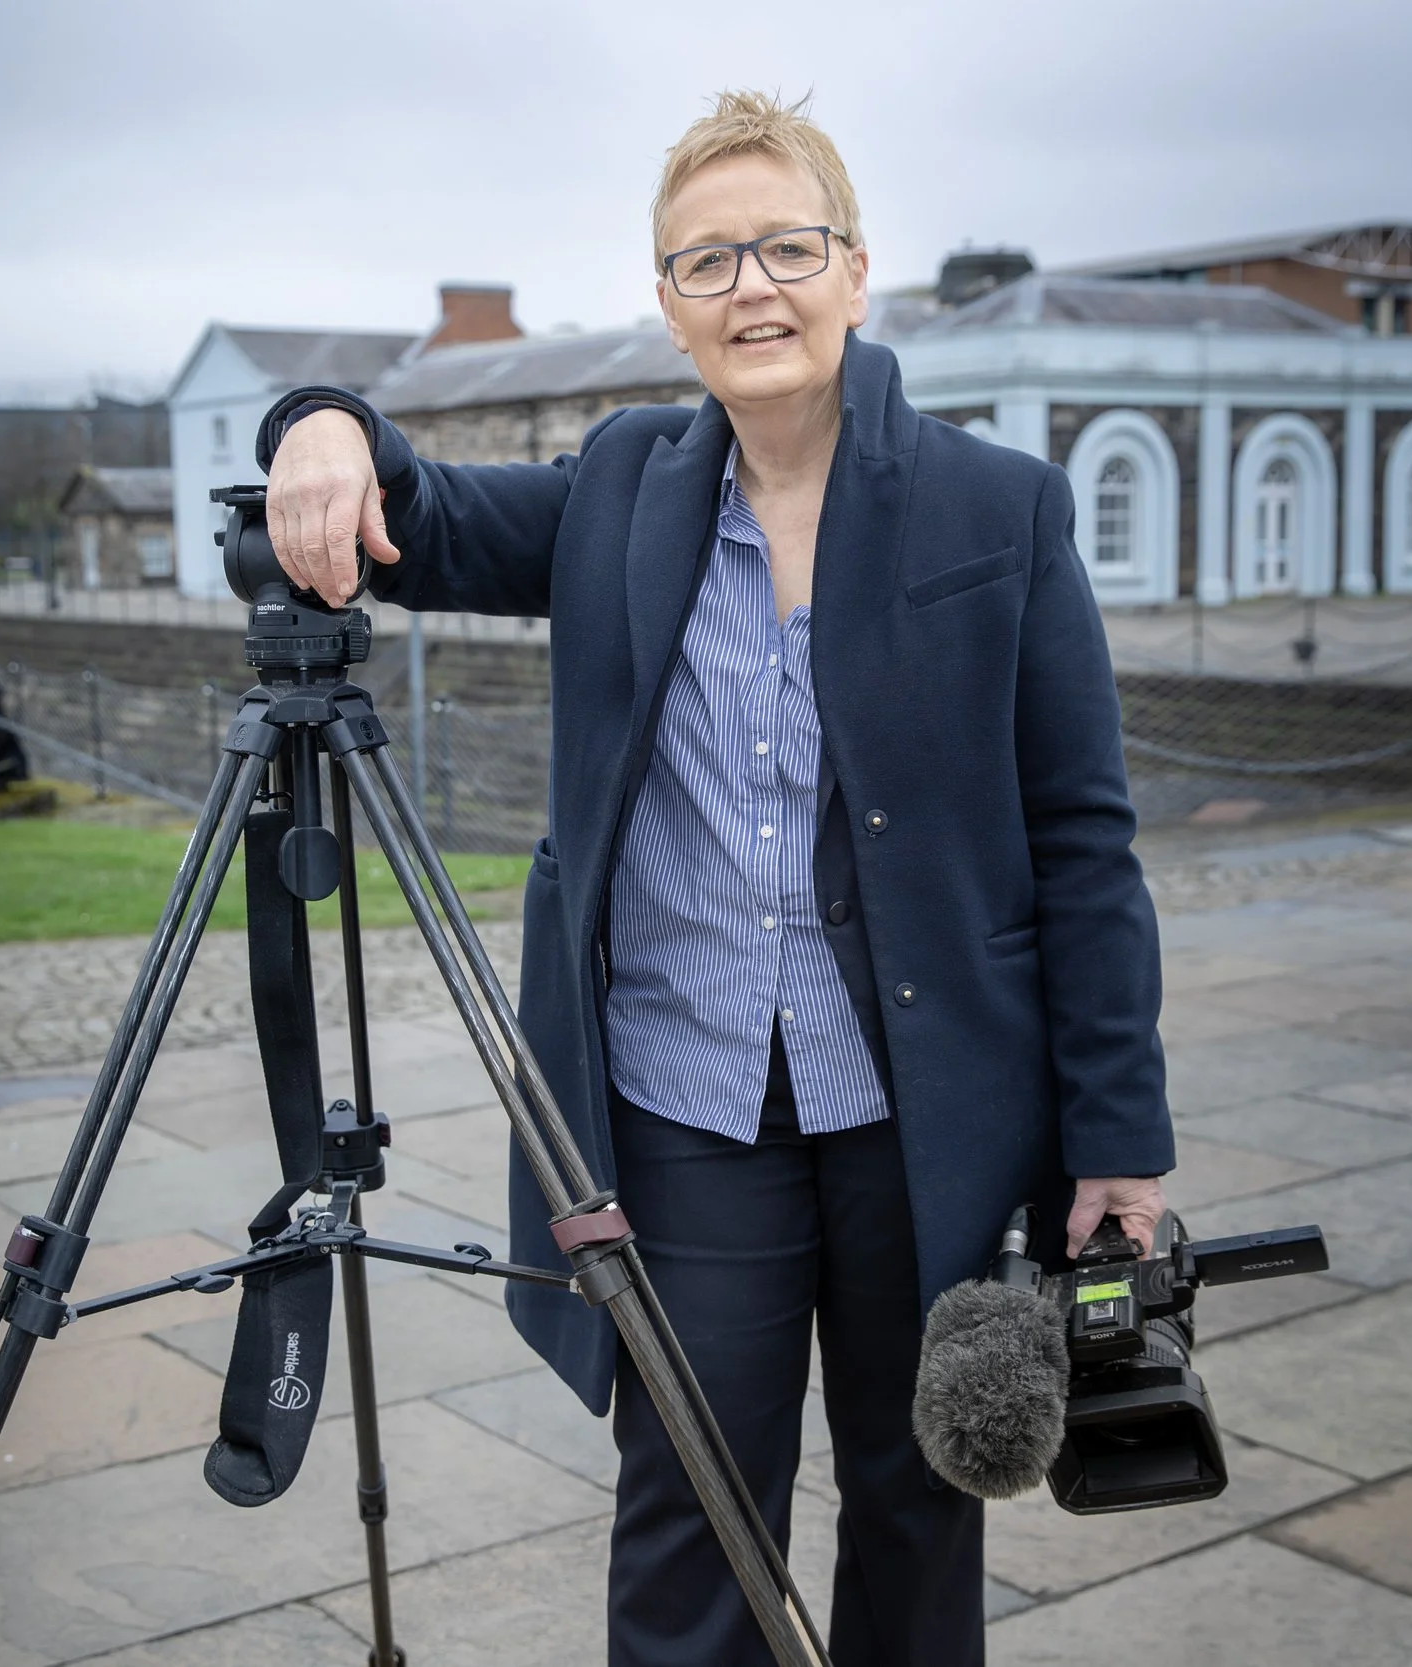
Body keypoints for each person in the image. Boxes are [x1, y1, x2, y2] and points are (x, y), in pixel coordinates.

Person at [259, 90, 1173, 1667]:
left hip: (922, 1113)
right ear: (669, 306)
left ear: (856, 270)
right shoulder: (624, 486)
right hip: (686, 1111)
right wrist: (322, 425)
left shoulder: (996, 508)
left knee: (916, 1500)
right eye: (706, 263)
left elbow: (1086, 841)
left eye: (785, 248)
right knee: (689, 1504)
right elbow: (422, 511)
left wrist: (1120, 1142)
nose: (753, 287)